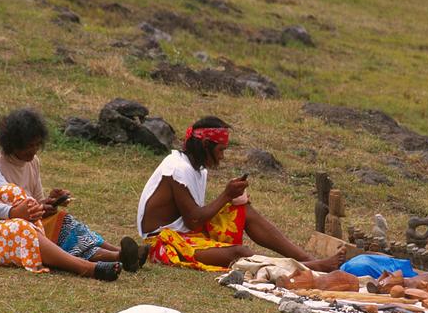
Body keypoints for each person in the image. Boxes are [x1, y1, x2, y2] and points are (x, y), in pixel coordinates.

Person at [0, 106, 122, 281]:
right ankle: (86, 268)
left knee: (21, 203)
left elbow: (6, 191)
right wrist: (14, 212)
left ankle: (112, 255)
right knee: (21, 229)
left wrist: (33, 207)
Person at [136, 116, 347, 272]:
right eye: (220, 150)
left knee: (242, 209)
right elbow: (193, 220)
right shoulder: (176, 169)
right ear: (204, 145)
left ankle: (306, 259)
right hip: (163, 244)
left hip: (185, 234)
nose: (222, 157)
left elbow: (193, 216)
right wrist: (226, 196)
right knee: (240, 253)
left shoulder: (197, 169)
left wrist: (232, 201)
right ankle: (304, 267)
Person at [0, 108, 143, 272]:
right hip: (16, 228)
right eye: (29, 146)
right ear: (13, 143)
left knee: (65, 221)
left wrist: (51, 201)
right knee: (65, 231)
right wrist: (39, 209)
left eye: (37, 145)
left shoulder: (33, 162)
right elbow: (0, 211)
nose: (33, 150)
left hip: (35, 220)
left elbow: (36, 200)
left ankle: (121, 254)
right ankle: (120, 256)